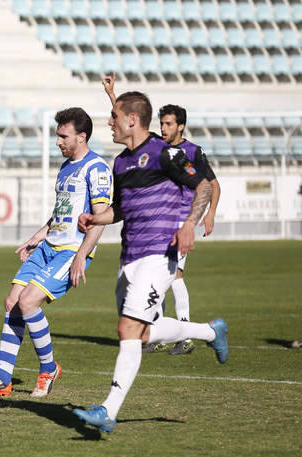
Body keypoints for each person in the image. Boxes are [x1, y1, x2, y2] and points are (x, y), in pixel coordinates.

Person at [72, 91, 229, 434]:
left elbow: (203, 185)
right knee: (141, 335)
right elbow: (121, 209)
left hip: (160, 255)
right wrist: (97, 219)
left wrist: (189, 224)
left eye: (114, 116)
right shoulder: (121, 162)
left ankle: (108, 411)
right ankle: (208, 331)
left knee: (127, 329)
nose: (110, 123)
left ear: (131, 120)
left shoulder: (165, 153)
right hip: (129, 258)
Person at [0, 107, 112, 398]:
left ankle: (49, 368)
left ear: (81, 137)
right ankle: (3, 378)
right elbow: (60, 213)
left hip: (71, 250)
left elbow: (101, 217)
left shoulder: (96, 169)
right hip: (49, 246)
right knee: (12, 301)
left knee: (29, 302)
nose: (57, 141)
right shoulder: (66, 166)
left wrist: (82, 254)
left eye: (63, 136)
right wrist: (36, 237)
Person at [103, 73, 221, 356]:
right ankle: (157, 330)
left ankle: (184, 332)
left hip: (178, 223)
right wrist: (112, 94)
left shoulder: (191, 151)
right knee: (160, 282)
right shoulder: (157, 148)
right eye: (161, 123)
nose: (164, 128)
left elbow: (210, 183)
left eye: (169, 123)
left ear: (181, 126)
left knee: (175, 275)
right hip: (154, 228)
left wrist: (208, 214)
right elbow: (131, 123)